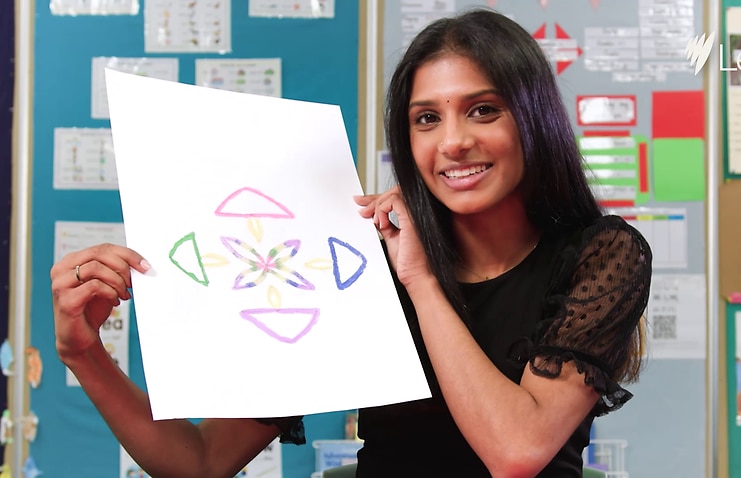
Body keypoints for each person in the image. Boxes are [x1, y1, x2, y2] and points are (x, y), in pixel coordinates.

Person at [50, 8, 651, 478]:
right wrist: (85, 355)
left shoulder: (602, 255)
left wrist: (419, 281)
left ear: (533, 119)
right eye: (426, 118)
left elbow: (515, 453)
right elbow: (201, 461)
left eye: (483, 110)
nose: (453, 142)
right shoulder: (361, 261)